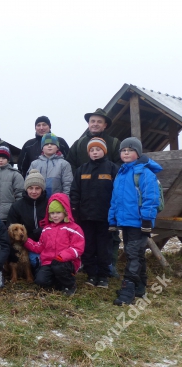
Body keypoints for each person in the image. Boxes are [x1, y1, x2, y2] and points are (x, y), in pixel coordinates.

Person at [65, 108, 123, 277]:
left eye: (99, 121)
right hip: (86, 202)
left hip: (105, 202)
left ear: (105, 125)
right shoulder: (79, 143)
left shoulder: (114, 143)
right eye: (92, 121)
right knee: (87, 237)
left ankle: (109, 266)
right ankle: (88, 265)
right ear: (89, 124)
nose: (95, 124)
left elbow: (120, 167)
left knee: (110, 238)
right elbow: (71, 164)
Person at [109, 137, 162, 306]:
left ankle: (128, 290)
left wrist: (147, 220)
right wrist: (113, 219)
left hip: (139, 223)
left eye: (130, 150)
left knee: (132, 254)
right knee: (137, 254)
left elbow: (151, 198)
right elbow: (115, 199)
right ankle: (140, 287)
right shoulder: (121, 173)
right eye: (123, 150)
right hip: (126, 222)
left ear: (138, 154)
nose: (126, 153)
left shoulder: (144, 173)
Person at [70, 137, 118, 289]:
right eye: (92, 150)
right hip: (86, 217)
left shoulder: (112, 168)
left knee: (104, 247)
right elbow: (75, 192)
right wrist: (75, 211)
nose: (95, 152)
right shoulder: (82, 170)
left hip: (105, 217)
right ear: (88, 152)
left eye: (98, 150)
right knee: (88, 246)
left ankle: (103, 276)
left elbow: (118, 192)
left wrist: (115, 212)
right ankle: (91, 274)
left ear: (104, 151)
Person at [24, 193, 85, 296]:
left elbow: (78, 248)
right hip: (48, 262)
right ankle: (58, 282)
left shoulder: (74, 228)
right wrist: (25, 241)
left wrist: (63, 256)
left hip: (66, 262)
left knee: (58, 267)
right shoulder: (47, 229)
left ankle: (70, 284)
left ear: (65, 212)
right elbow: (40, 246)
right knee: (40, 281)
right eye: (52, 213)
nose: (55, 216)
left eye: (58, 212)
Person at [7, 169, 48, 273]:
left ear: (42, 189)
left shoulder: (49, 204)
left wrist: (40, 231)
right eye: (30, 188)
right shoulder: (17, 206)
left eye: (37, 188)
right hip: (25, 245)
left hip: (46, 244)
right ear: (26, 189)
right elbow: (10, 228)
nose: (34, 192)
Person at [28, 133, 73, 198]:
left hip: (57, 201)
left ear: (57, 147)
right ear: (42, 148)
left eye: (52, 144)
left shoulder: (64, 164)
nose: (49, 146)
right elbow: (29, 183)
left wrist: (65, 199)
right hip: (38, 201)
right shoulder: (34, 164)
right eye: (46, 144)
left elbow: (68, 185)